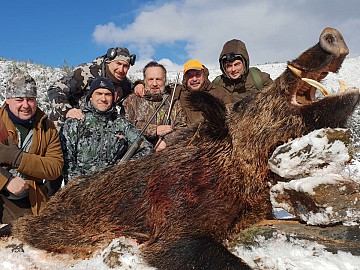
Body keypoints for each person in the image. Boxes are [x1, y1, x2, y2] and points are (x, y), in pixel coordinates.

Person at [60, 77, 153, 183]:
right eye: (99, 94)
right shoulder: (75, 123)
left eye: (107, 94)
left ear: (113, 98)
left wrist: (127, 166)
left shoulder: (121, 123)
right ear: (90, 97)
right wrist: (80, 186)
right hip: (80, 191)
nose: (103, 99)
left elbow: (146, 147)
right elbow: (66, 160)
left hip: (113, 189)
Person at [0, 72, 64, 224]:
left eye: (30, 99)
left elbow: (54, 168)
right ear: (8, 100)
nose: (26, 105)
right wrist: (5, 181)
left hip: (32, 198)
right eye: (19, 100)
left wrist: (17, 158)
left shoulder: (48, 127)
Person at [48, 47, 136, 125]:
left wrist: (139, 85)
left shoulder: (124, 83)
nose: (121, 70)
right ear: (109, 62)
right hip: (66, 124)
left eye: (125, 66)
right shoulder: (87, 72)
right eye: (118, 64)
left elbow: (135, 88)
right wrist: (67, 110)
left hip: (96, 127)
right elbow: (55, 89)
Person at [123, 61, 188, 152]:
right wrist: (154, 130)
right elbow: (125, 126)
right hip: (137, 155)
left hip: (166, 155)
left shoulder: (174, 103)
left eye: (158, 79)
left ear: (165, 80)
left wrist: (166, 141)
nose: (154, 84)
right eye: (150, 79)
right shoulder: (131, 101)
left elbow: (182, 129)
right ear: (144, 80)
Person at [176, 59, 236, 127]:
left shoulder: (219, 93)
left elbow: (231, 117)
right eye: (190, 76)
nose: (194, 79)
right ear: (185, 79)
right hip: (187, 136)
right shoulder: (179, 93)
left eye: (198, 74)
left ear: (204, 76)